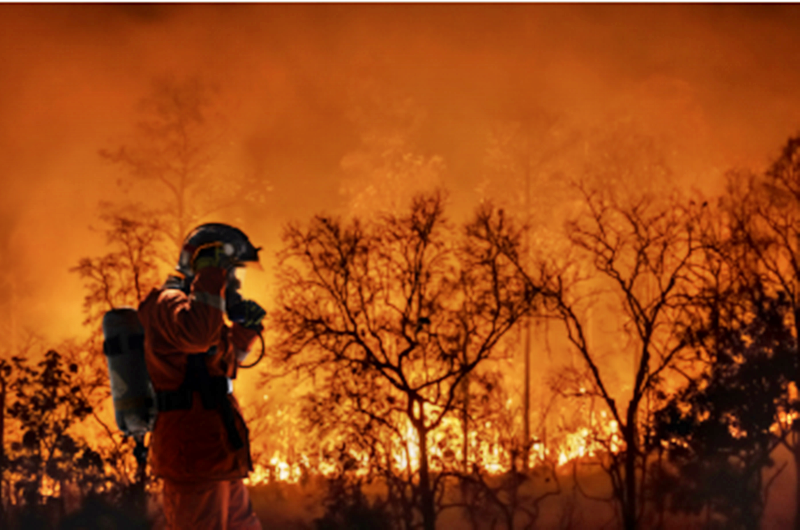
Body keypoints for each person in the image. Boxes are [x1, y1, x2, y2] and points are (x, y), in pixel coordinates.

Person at [138, 223, 267, 530]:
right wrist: (211, 279)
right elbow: (197, 338)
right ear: (206, 265)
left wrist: (245, 334)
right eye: (231, 271)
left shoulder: (199, 310)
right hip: (193, 457)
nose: (234, 282)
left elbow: (217, 373)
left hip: (217, 454)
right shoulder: (168, 304)